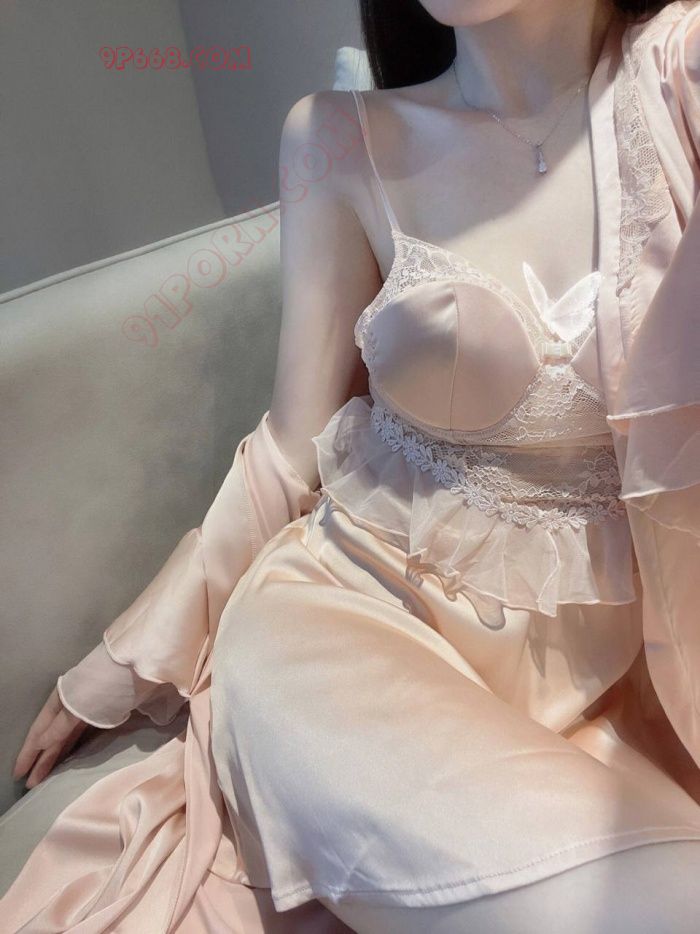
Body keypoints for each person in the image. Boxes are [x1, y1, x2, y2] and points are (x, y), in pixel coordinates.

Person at [3, 0, 700, 930]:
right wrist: (131, 653)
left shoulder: (675, 79)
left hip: (612, 673)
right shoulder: (338, 138)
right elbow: (293, 440)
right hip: (342, 626)